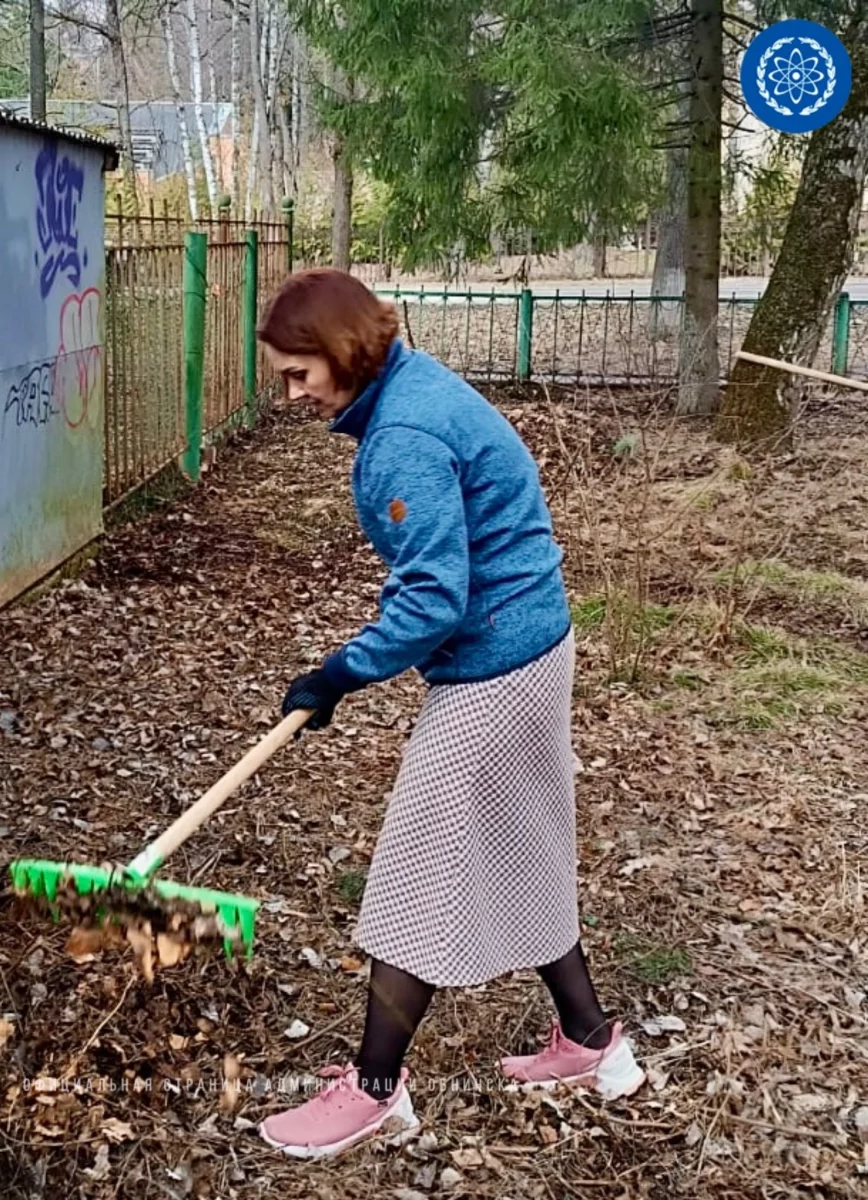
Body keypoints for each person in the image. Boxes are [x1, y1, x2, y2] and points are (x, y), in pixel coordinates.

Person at [253, 270, 645, 1160]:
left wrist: (339, 674)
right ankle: (592, 1042)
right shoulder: (410, 384)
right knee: (524, 844)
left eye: (299, 374)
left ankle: (374, 1091)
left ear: (343, 352)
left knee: (415, 871)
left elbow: (434, 597)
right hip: (533, 640)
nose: (292, 394)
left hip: (495, 668)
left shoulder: (403, 434)